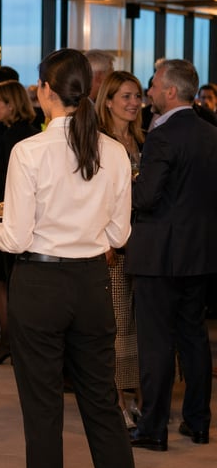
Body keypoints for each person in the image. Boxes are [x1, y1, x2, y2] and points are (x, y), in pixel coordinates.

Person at [0, 49, 142, 468]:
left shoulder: (29, 150)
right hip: (91, 283)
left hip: (40, 285)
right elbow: (119, 235)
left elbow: (17, 236)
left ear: (45, 89)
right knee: (102, 408)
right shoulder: (113, 150)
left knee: (42, 417)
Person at [126, 59, 217, 451]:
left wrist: (122, 187)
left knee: (156, 342)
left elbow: (146, 197)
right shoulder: (211, 133)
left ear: (170, 92)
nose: (148, 92)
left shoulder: (163, 136)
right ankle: (198, 423)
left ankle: (153, 428)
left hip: (159, 254)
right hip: (200, 253)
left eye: (153, 86)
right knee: (194, 337)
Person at [0, 79, 39, 365]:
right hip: (12, 214)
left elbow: (22, 181)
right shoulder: (19, 131)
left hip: (9, 216)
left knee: (3, 282)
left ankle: (8, 342)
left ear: (11, 105)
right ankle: (10, 342)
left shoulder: (18, 136)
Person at [96, 71, 145, 428]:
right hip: (112, 247)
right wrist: (104, 240)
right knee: (115, 328)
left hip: (142, 246)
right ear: (108, 100)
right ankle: (117, 403)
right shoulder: (100, 142)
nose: (133, 103)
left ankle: (137, 398)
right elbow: (95, 198)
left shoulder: (143, 139)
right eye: (126, 96)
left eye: (137, 95)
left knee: (138, 328)